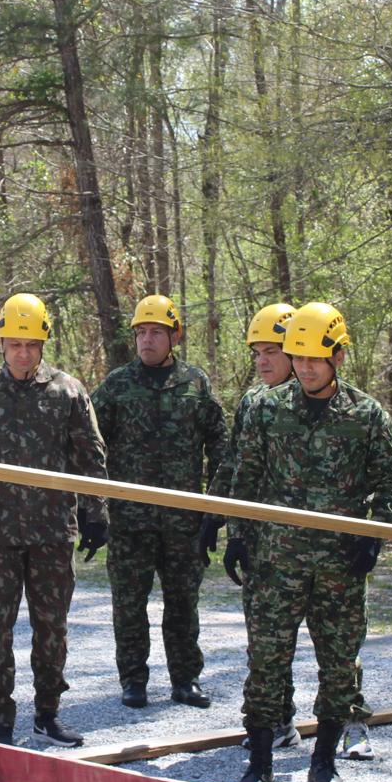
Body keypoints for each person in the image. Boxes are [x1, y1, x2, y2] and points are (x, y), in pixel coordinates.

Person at [226, 302, 392, 782]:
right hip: (274, 562)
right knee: (266, 662)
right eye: (298, 357)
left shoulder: (367, 415)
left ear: (338, 357)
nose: (304, 367)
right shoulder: (266, 408)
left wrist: (374, 535)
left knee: (339, 663)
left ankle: (323, 761)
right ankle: (260, 764)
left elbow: (388, 482)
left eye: (314, 358)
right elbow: (245, 476)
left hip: (338, 566)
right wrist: (237, 535)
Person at [0, 293, 108, 747]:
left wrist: (96, 511)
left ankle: (47, 714)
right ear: (1, 343)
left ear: (43, 344)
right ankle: (0, 720)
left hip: (52, 531)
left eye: (31, 345)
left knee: (52, 627)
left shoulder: (68, 392)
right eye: (15, 344)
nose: (23, 353)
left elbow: (90, 454)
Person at [91, 295, 227, 710]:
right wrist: (93, 506)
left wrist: (215, 508)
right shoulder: (117, 385)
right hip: (129, 522)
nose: (147, 340)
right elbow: (89, 443)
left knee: (183, 603)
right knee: (129, 604)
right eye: (141, 332)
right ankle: (133, 680)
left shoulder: (195, 383)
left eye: (156, 332)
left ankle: (186, 680)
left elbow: (220, 444)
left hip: (183, 522)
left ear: (174, 336)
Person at [205, 302, 305, 751]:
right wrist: (218, 519)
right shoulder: (253, 401)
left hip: (313, 545)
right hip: (264, 543)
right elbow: (233, 465)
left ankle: (349, 720)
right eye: (257, 353)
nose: (263, 361)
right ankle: (278, 720)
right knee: (265, 640)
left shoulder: (322, 399)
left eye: (272, 352)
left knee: (334, 642)